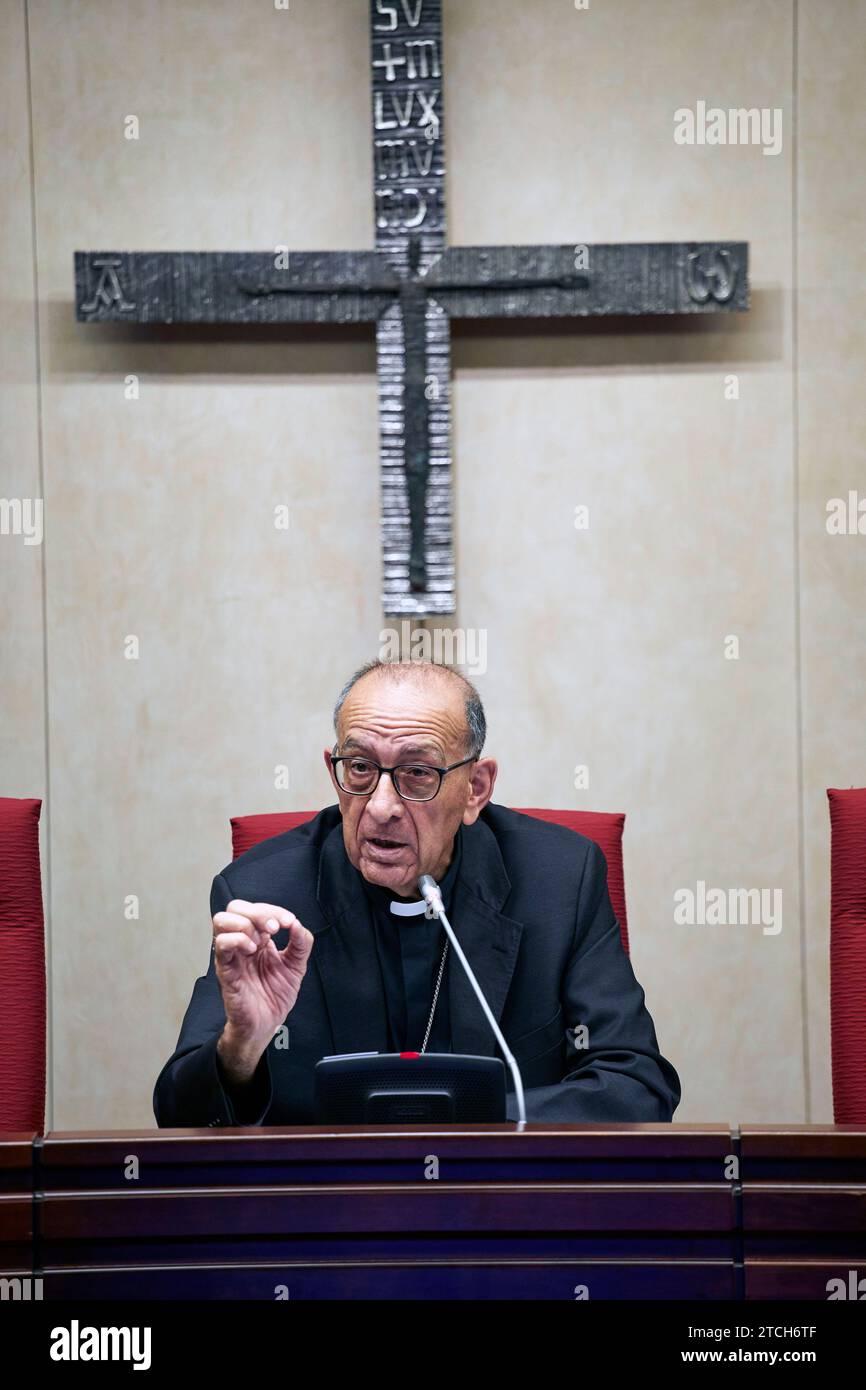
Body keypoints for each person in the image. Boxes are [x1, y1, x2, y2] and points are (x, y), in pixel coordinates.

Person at [153, 658, 680, 1125]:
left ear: (476, 788)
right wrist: (241, 1046)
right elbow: (179, 1117)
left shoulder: (560, 881)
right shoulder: (263, 892)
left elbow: (637, 1087)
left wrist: (464, 1119)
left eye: (417, 773)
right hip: (326, 1214)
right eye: (359, 768)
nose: (381, 806)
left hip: (501, 1204)